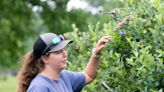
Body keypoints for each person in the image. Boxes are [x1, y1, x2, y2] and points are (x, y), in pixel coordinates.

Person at [17, 32, 112, 92]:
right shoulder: (39, 87)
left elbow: (89, 75)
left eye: (64, 49)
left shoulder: (64, 77)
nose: (65, 54)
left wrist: (96, 53)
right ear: (45, 58)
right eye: (58, 52)